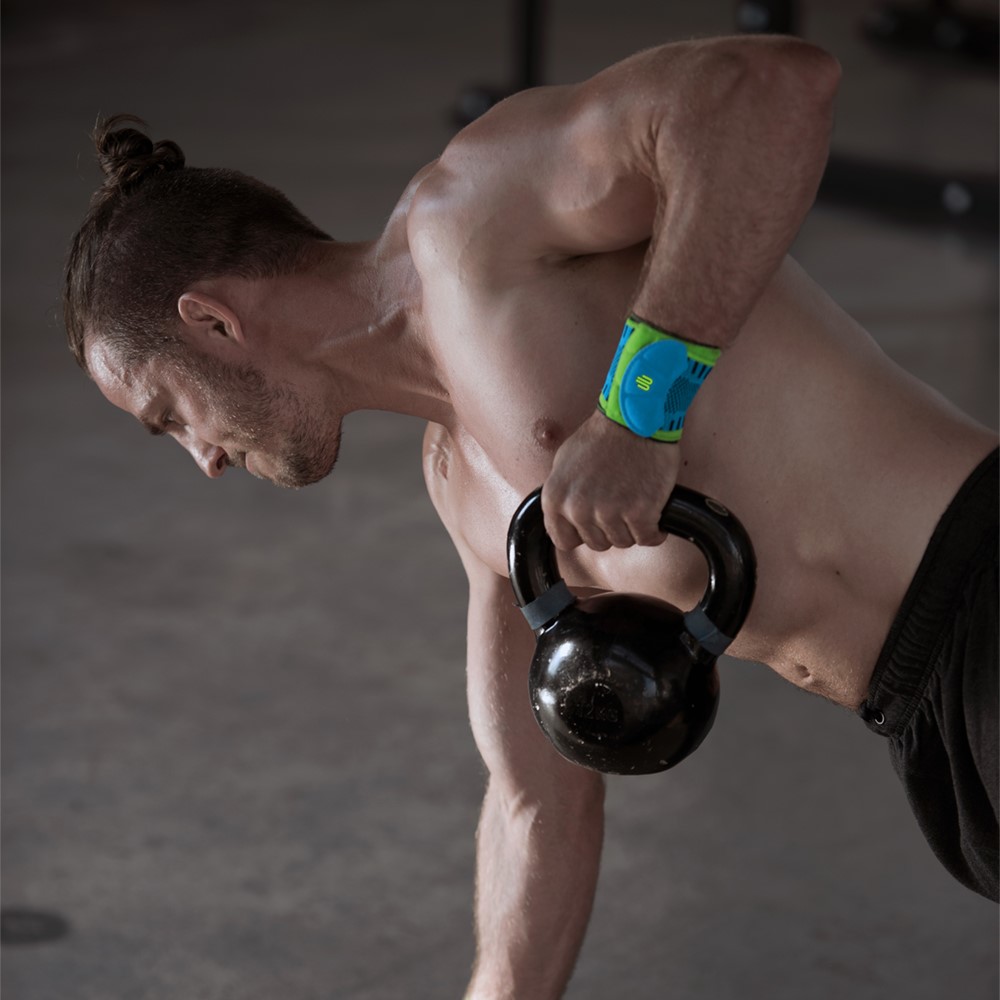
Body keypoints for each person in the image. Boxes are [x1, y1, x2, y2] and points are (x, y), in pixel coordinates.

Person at [64, 33, 997, 998]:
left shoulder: (472, 223)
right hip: (927, 723)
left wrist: (641, 409)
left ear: (212, 321)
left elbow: (770, 89)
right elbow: (534, 804)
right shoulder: (469, 495)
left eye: (170, 415)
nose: (203, 459)